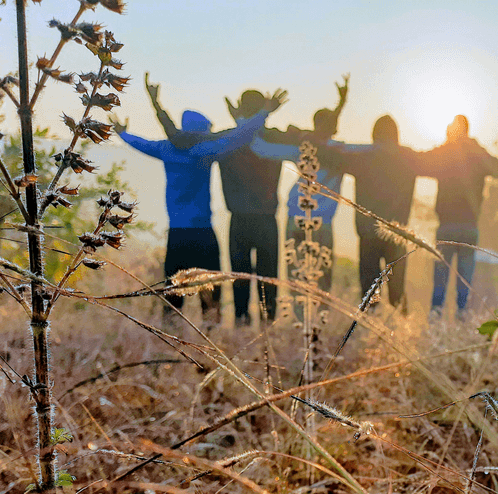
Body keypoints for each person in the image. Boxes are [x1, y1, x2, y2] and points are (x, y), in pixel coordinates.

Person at [112, 91, 284, 326]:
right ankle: (211, 335)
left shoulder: (165, 149)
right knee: (210, 294)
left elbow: (139, 143)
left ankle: (172, 333)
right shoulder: (205, 152)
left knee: (173, 291)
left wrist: (122, 133)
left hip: (177, 233)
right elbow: (239, 137)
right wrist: (264, 113)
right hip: (203, 232)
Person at [419, 115, 498, 316]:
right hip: (469, 227)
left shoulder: (443, 154)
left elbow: (416, 161)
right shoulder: (479, 156)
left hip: (447, 227)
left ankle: (435, 315)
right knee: (465, 280)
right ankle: (462, 314)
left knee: (441, 277)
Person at [316, 115, 431, 312]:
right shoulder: (410, 158)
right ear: (396, 135)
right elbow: (440, 163)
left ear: (374, 135)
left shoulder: (363, 157)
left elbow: (329, 157)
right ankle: (403, 328)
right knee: (397, 287)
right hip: (398, 233)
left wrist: (309, 139)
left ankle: (370, 324)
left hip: (367, 230)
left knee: (369, 287)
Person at [254, 76, 351, 296]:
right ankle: (318, 326)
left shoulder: (301, 149)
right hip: (323, 223)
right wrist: (341, 105)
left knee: (297, 279)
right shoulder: (342, 152)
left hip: (297, 219)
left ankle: (301, 324)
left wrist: (250, 123)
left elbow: (261, 149)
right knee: (323, 281)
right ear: (334, 128)